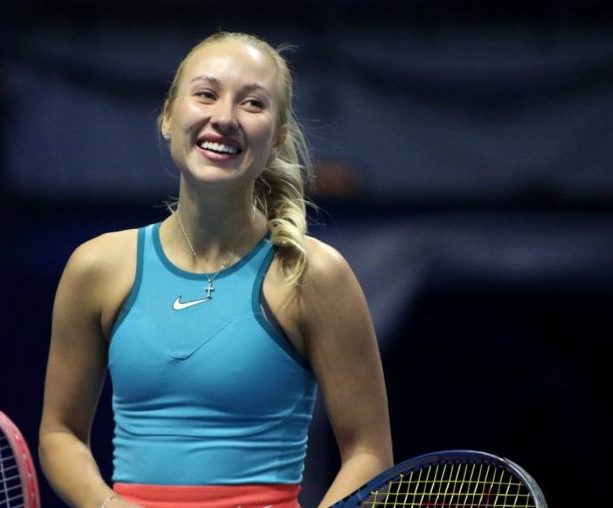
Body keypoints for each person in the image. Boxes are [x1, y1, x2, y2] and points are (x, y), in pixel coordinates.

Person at [38, 31, 393, 508]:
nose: (224, 118)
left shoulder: (314, 275)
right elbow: (60, 433)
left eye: (252, 103)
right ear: (168, 116)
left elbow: (369, 452)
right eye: (206, 94)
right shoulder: (96, 267)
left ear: (278, 137)